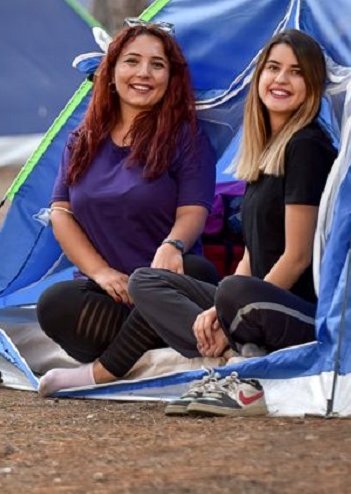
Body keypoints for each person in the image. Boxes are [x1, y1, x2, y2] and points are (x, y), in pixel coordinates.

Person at [127, 28, 336, 417]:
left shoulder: (307, 147)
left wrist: (227, 304)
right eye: (273, 68)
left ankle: (239, 367)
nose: (281, 80)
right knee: (146, 280)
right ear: (259, 78)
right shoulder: (265, 151)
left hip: (297, 310)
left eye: (296, 72)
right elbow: (251, 256)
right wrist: (219, 306)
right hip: (251, 299)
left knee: (236, 292)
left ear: (312, 85)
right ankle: (233, 353)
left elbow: (297, 256)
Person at [34, 19, 218, 396]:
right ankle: (154, 346)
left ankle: (105, 370)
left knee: (197, 272)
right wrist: (101, 273)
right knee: (55, 303)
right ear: (112, 71)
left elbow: (193, 210)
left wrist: (173, 246)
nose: (144, 73)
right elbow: (61, 214)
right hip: (114, 297)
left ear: (171, 77)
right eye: (132, 61)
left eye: (157, 64)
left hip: (167, 280)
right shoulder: (82, 140)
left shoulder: (187, 137)